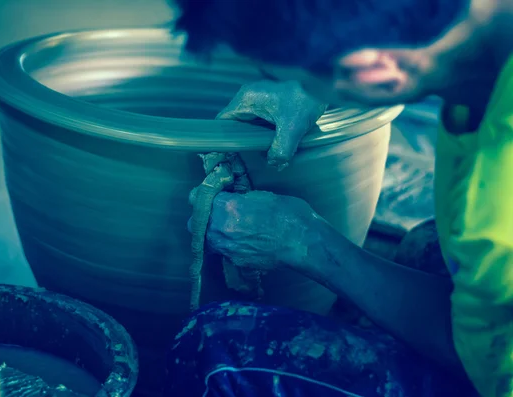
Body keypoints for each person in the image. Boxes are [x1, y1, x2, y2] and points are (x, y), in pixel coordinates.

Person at [165, 0, 513, 396]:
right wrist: (317, 86)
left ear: (377, 72)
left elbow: (484, 361)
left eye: (273, 72)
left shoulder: (492, 205)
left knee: (216, 347)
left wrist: (304, 241)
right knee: (425, 248)